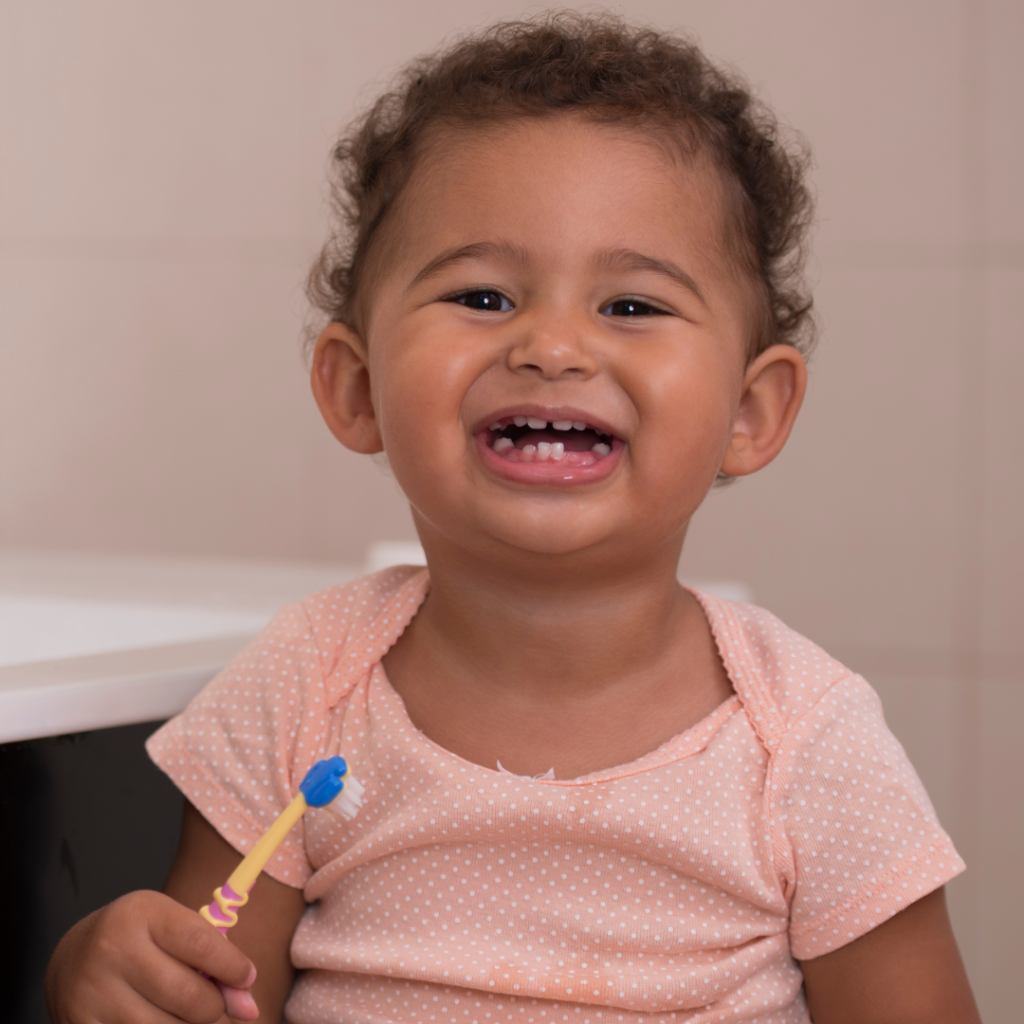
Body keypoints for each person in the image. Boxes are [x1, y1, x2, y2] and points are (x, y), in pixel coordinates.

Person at [45, 14, 981, 1024]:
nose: (551, 345)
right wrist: (107, 977)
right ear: (356, 387)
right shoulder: (302, 687)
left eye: (631, 307)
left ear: (748, 414)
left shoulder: (807, 742)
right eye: (483, 295)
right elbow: (209, 987)